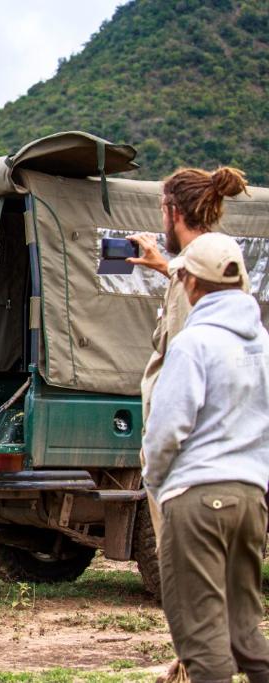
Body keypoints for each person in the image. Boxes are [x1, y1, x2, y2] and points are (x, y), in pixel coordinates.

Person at [143, 232, 269, 683]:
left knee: (202, 640)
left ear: (192, 284)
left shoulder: (194, 343)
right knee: (244, 633)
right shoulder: (263, 343)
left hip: (196, 496)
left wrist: (156, 483)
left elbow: (166, 429)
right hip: (252, 499)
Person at [128, 166, 249, 544]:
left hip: (189, 449)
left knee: (186, 561)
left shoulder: (193, 268)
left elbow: (187, 360)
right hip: (221, 439)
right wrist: (167, 267)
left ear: (173, 211)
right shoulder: (218, 255)